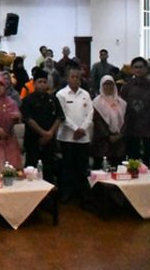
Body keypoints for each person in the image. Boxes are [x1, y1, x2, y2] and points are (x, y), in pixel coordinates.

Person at [56, 67, 93, 203]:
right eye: (73, 77)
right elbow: (63, 115)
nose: (76, 79)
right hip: (67, 137)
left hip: (83, 137)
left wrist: (82, 129)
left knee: (82, 167)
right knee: (67, 167)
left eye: (78, 77)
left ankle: (83, 195)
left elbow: (90, 113)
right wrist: (75, 129)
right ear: (67, 78)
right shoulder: (61, 94)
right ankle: (66, 193)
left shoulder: (85, 94)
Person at [20, 70, 64, 184]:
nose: (42, 84)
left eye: (44, 82)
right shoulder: (27, 100)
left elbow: (59, 117)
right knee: (31, 173)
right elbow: (29, 120)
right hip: (33, 142)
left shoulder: (53, 99)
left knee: (49, 172)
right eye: (40, 82)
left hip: (49, 143)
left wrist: (50, 133)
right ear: (34, 84)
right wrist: (43, 133)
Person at [120, 57, 150, 167]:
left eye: (141, 67)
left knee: (149, 165)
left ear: (146, 69)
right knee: (132, 164)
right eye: (136, 67)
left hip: (149, 132)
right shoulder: (126, 87)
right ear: (132, 70)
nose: (138, 70)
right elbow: (122, 110)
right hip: (131, 132)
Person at [91, 75, 126, 168]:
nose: (108, 87)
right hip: (102, 143)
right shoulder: (96, 103)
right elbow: (97, 122)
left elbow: (126, 121)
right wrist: (108, 136)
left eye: (110, 84)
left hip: (119, 143)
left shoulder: (121, 103)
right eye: (105, 84)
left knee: (118, 169)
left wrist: (119, 135)